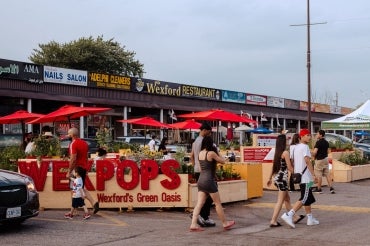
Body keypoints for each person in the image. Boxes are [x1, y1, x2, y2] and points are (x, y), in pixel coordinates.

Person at [189, 135, 235, 231]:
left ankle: (193, 224)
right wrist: (219, 153)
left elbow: (201, 169)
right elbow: (222, 161)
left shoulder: (200, 153)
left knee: (199, 203)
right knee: (218, 203)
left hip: (201, 180)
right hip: (209, 180)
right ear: (211, 143)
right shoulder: (211, 153)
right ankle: (225, 223)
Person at [281, 128, 319, 228]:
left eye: (310, 135)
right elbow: (307, 161)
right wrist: (314, 175)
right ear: (301, 136)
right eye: (307, 135)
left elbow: (292, 162)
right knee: (305, 197)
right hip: (306, 177)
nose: (309, 137)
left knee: (308, 196)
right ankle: (289, 215)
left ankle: (310, 219)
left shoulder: (293, 147)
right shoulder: (305, 147)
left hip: (299, 176)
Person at [267, 134, 305, 227]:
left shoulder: (277, 153)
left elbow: (274, 167)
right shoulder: (285, 153)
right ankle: (273, 220)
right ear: (283, 142)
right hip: (283, 179)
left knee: (287, 199)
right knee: (280, 201)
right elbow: (289, 167)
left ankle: (295, 217)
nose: (288, 142)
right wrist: (298, 174)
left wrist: (269, 178)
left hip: (277, 178)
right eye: (287, 140)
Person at [66, 127, 100, 214]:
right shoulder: (84, 143)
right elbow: (86, 157)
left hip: (76, 169)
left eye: (69, 134)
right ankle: (94, 203)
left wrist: (69, 171)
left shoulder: (73, 144)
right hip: (83, 168)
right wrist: (86, 168)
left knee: (73, 189)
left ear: (72, 135)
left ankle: (74, 210)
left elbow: (73, 158)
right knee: (81, 187)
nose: (68, 135)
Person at [189, 123, 215, 227]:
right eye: (209, 132)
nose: (210, 134)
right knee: (210, 195)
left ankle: (201, 216)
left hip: (197, 170)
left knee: (205, 195)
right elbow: (203, 156)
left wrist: (194, 166)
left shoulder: (195, 141)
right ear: (204, 130)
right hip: (204, 171)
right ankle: (203, 216)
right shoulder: (203, 142)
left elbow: (192, 156)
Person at [312, 130, 335, 194]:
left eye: (317, 134)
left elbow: (315, 152)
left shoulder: (318, 142)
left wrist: (312, 154)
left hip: (319, 160)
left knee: (318, 175)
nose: (316, 135)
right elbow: (328, 152)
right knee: (327, 174)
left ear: (321, 135)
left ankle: (319, 189)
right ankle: (331, 188)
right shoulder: (326, 142)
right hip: (326, 159)